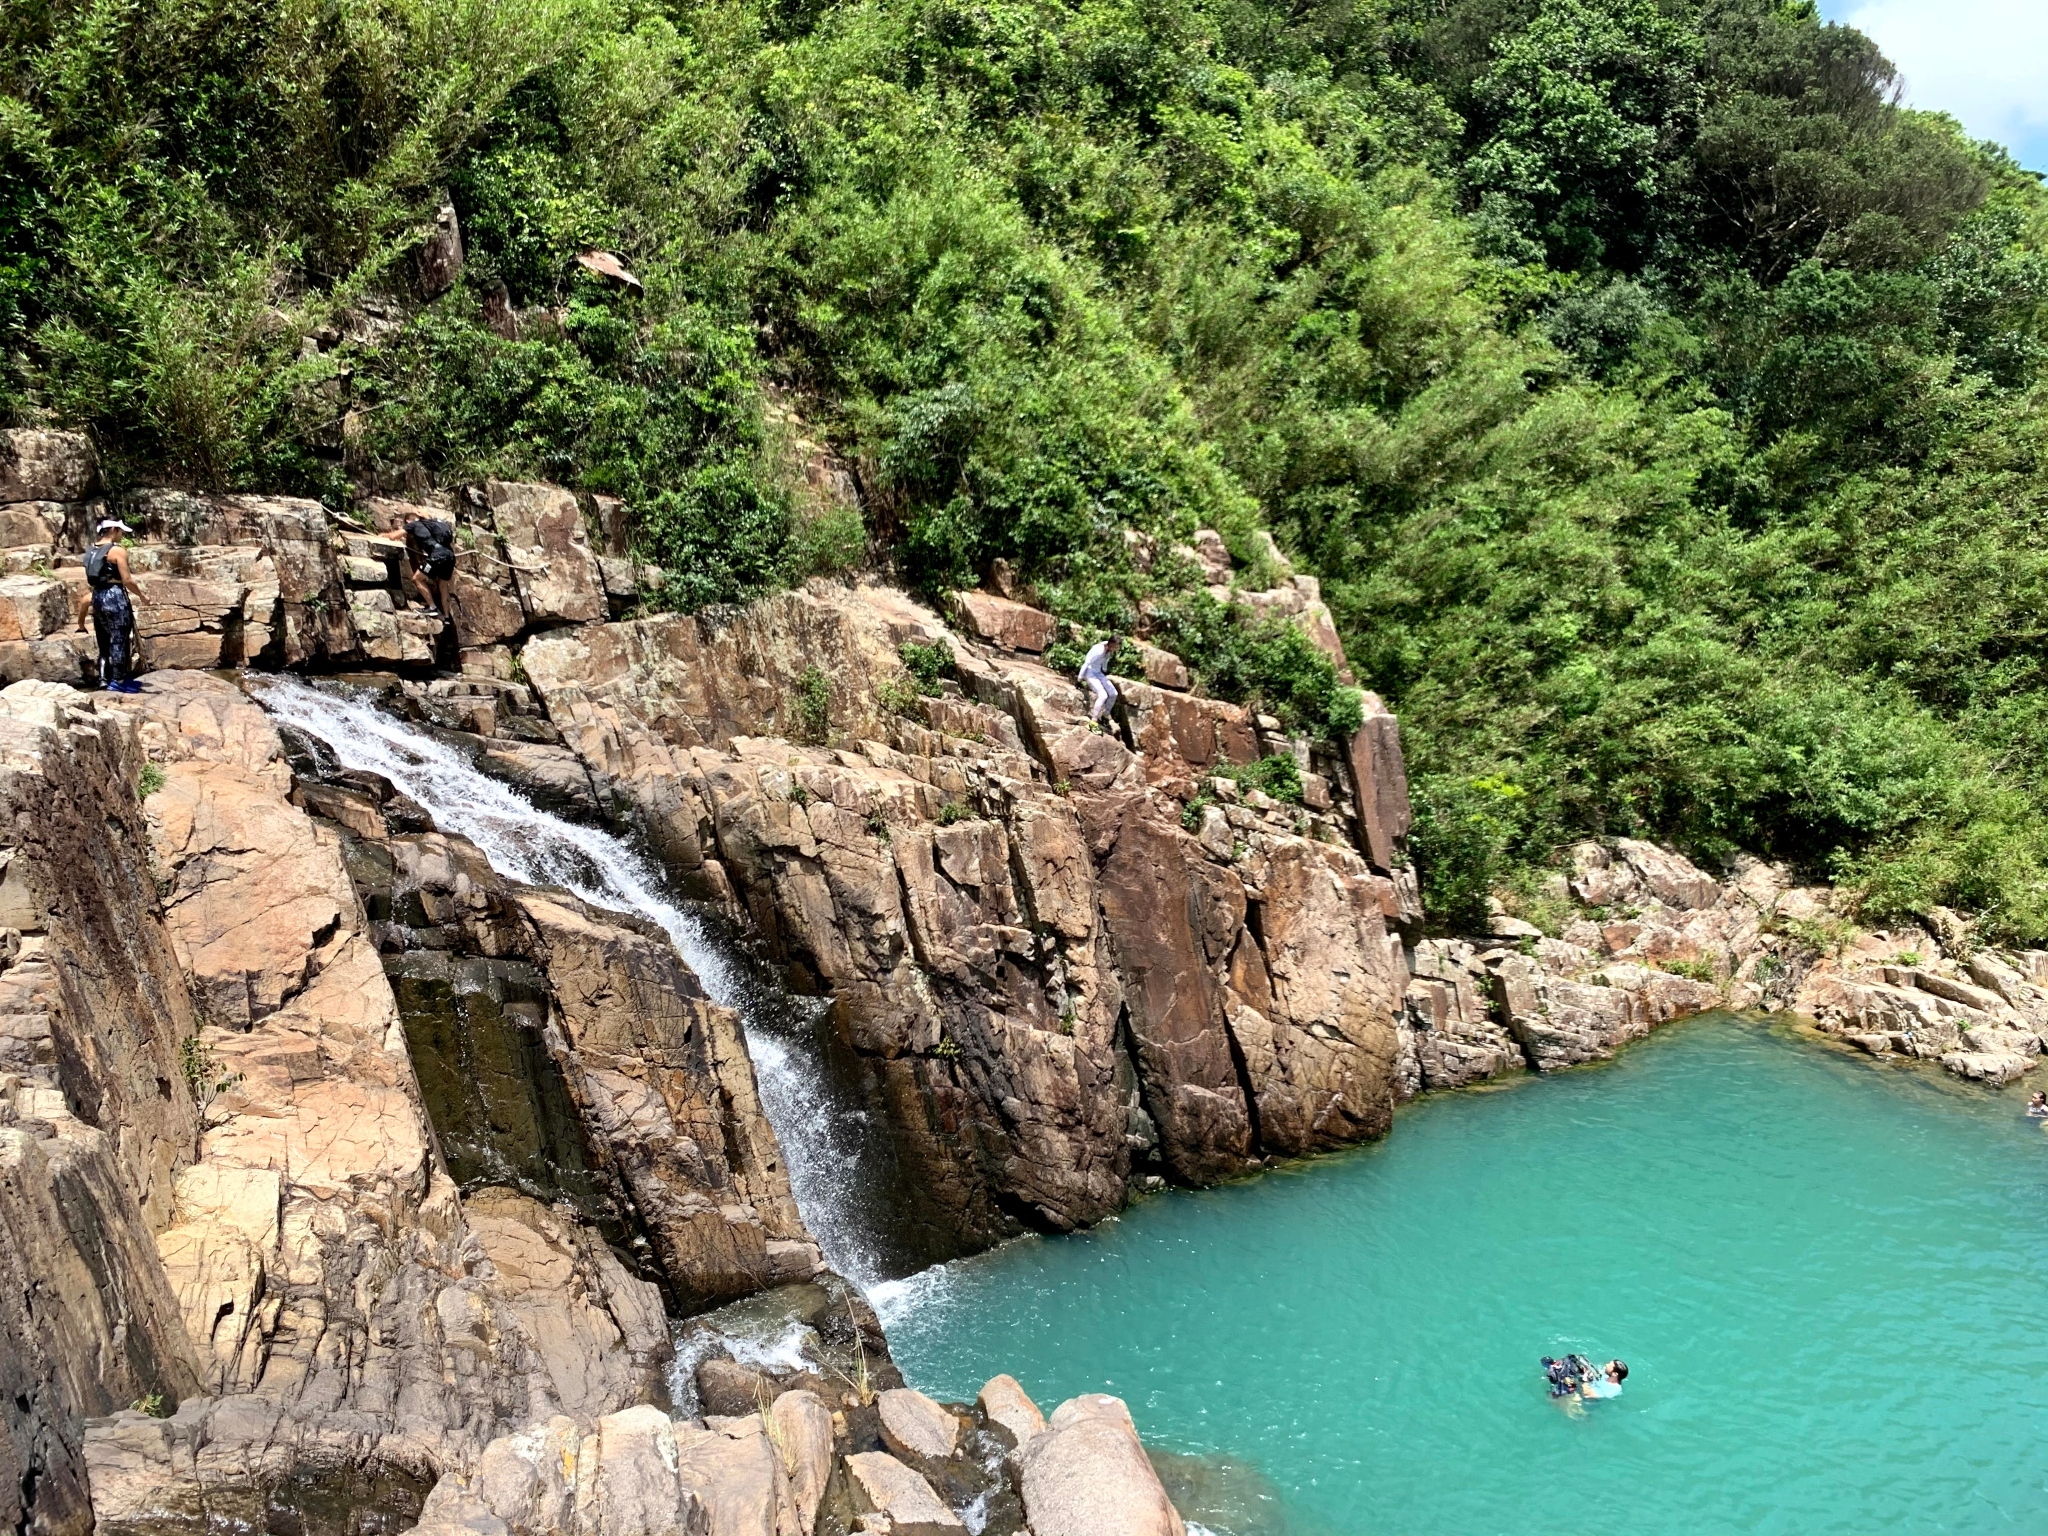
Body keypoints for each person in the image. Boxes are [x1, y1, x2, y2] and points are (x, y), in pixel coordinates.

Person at [79, 518, 145, 693]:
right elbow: (127, 580)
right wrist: (141, 595)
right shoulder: (116, 551)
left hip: (98, 596)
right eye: (121, 531)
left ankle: (110, 678)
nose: (122, 535)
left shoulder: (90, 550)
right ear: (113, 530)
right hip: (114, 596)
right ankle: (118, 681)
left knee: (107, 639)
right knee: (119, 638)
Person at [401, 507, 459, 618]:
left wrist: (383, 536)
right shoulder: (432, 523)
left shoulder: (413, 524)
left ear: (408, 521)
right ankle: (446, 616)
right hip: (450, 555)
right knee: (443, 585)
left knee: (416, 579)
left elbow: (394, 536)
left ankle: (432, 608)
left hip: (437, 556)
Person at [1077, 634, 1121, 729]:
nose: (1116, 649)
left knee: (1114, 693)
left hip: (1098, 672)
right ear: (1112, 644)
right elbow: (1087, 663)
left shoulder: (1108, 649)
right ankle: (1093, 721)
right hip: (1089, 672)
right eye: (1116, 647)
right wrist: (1079, 678)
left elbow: (1104, 661)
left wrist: (1105, 670)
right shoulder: (1099, 650)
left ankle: (1105, 715)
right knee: (1103, 695)